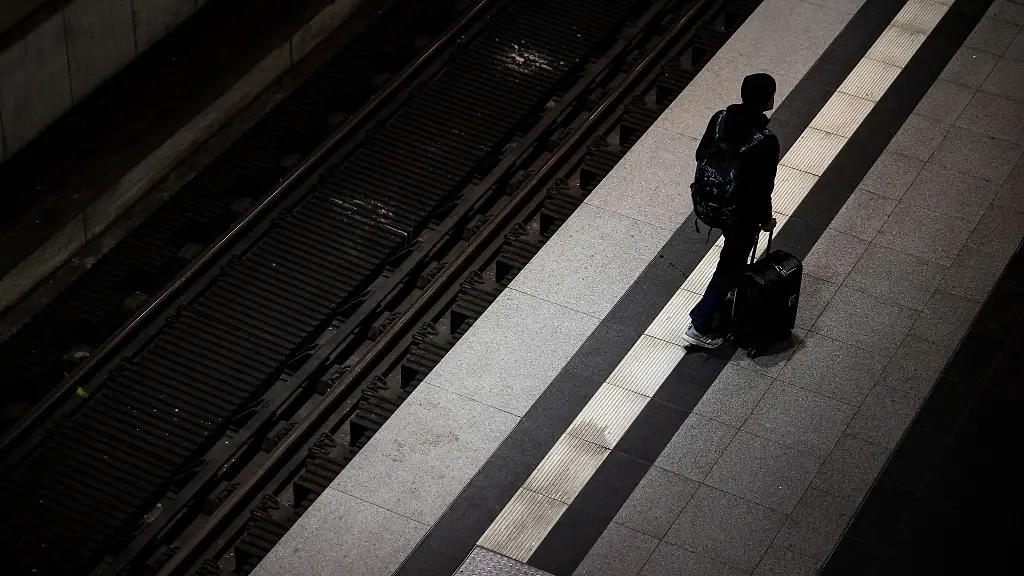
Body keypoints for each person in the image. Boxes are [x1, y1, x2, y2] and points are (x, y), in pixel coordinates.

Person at [682, 73, 780, 349]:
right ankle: (699, 325)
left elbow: (701, 154)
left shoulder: (719, 118)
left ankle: (725, 299)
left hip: (708, 203)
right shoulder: (765, 140)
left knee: (731, 262)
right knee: (730, 266)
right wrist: (765, 219)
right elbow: (760, 188)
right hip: (740, 214)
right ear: (768, 98)